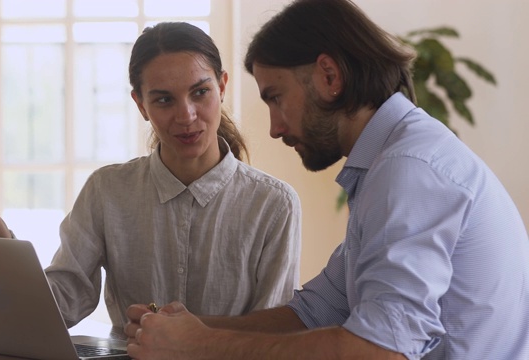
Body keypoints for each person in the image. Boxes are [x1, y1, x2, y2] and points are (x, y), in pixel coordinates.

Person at [124, 1, 529, 359]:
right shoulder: (389, 163)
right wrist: (186, 329)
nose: (274, 129)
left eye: (276, 97)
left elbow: (380, 352)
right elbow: (314, 312)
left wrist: (199, 347)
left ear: (329, 76)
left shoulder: (409, 170)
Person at [0, 22, 302, 329]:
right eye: (164, 99)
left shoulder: (273, 204)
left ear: (221, 87)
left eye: (200, 92)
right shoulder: (107, 191)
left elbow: (272, 332)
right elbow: (61, 305)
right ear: (140, 104)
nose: (186, 115)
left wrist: (191, 340)